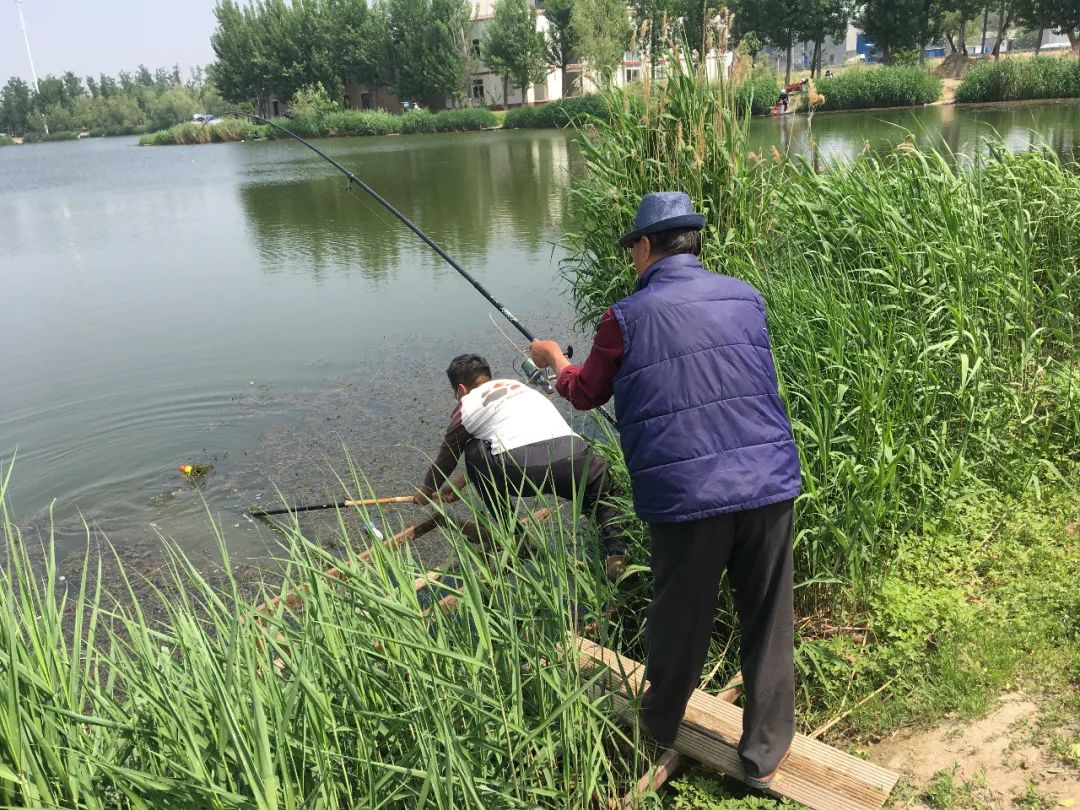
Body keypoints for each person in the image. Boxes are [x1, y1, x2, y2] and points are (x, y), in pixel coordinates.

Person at [530, 192, 801, 789]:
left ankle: (658, 721)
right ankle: (764, 753)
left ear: (647, 245)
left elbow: (586, 392)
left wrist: (553, 361)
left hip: (688, 497)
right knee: (768, 616)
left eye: (633, 246)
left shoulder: (624, 317)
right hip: (769, 482)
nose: (632, 256)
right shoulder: (746, 296)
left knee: (680, 616)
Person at [415, 353, 628, 580]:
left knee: (471, 447)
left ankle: (516, 536)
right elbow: (512, 433)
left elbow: (447, 457)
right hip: (575, 457)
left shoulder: (467, 405)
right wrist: (463, 480)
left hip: (523, 469)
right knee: (603, 493)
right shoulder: (517, 387)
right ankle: (618, 557)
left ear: (460, 389)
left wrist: (426, 491)